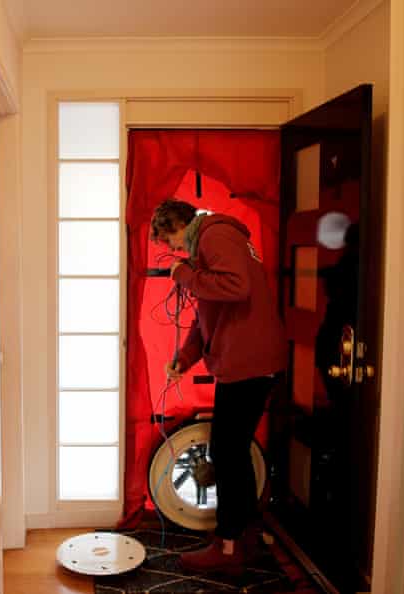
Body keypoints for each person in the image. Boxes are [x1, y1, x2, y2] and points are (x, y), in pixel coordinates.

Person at [150, 199, 286, 571]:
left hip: (248, 363)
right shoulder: (214, 241)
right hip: (246, 363)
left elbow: (236, 287)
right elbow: (209, 313)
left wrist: (184, 275)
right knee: (233, 453)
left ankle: (228, 547)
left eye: (171, 240)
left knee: (227, 454)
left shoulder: (215, 235)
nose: (176, 251)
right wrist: (185, 358)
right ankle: (240, 539)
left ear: (179, 224)